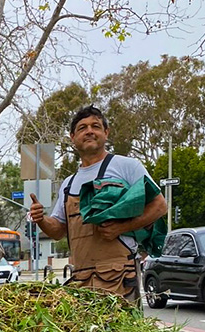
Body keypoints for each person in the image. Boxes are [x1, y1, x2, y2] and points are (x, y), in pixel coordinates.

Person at [28, 105, 167, 303]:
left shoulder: (126, 167)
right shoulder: (68, 184)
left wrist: (122, 227)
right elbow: (58, 230)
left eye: (96, 126)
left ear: (106, 133)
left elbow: (160, 206)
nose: (90, 131)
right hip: (81, 283)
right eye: (83, 128)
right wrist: (41, 219)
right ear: (72, 137)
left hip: (118, 280)